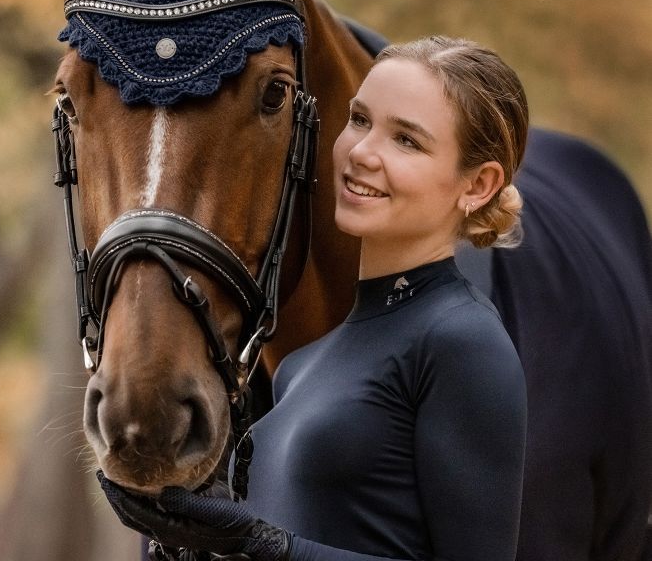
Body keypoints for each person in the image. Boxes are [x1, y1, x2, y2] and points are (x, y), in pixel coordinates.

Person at [100, 35, 530, 561]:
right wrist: (195, 538)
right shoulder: (299, 366)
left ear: (479, 184)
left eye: (407, 141)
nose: (362, 152)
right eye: (360, 120)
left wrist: (264, 546)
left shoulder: (463, 341)